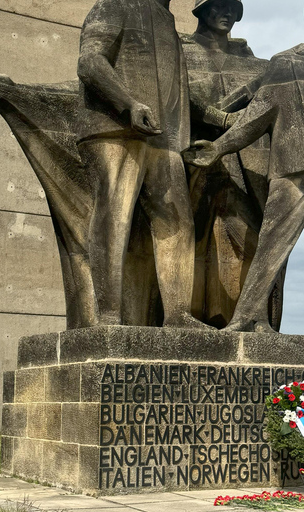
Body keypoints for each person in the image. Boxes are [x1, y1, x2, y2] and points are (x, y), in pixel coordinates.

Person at [184, 0, 304, 335]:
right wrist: (219, 147)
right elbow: (255, 118)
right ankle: (245, 316)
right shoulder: (286, 64)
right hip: (295, 169)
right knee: (274, 242)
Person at [77, 0, 208, 329]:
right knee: (113, 216)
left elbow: (182, 94)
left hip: (163, 138)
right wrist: (128, 104)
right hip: (115, 129)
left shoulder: (168, 25)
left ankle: (178, 315)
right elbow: (90, 62)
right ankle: (107, 316)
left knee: (177, 222)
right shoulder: (114, 6)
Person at [181, 0, 285, 329]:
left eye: (232, 7)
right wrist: (221, 117)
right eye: (217, 6)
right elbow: (170, 94)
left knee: (244, 239)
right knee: (195, 239)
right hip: (194, 160)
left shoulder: (257, 66)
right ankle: (193, 316)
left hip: (247, 168)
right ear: (201, 11)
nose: (226, 13)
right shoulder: (179, 53)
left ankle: (245, 318)